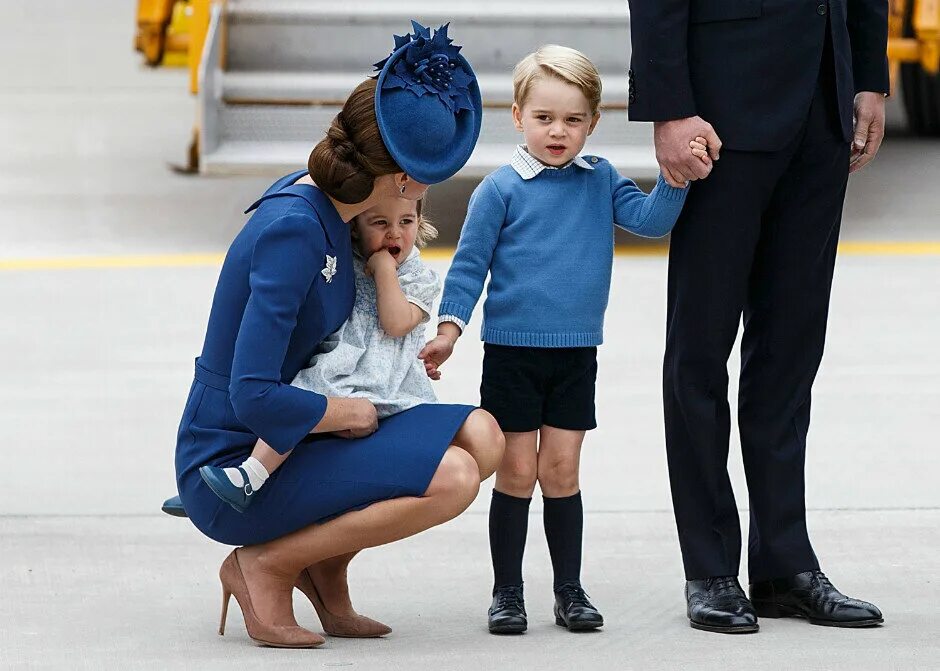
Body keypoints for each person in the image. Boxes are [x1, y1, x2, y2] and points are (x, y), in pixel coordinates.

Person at [174, 22, 504, 648]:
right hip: (238, 459)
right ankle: (264, 565)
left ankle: (325, 564)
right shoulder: (297, 230)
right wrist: (340, 411)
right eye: (423, 173)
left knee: (484, 436)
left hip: (299, 437)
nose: (426, 189)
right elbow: (251, 396)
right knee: (455, 477)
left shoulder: (337, 215)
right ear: (398, 178)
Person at [627, 0, 888, 633]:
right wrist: (669, 104)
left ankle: (784, 566)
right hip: (719, 109)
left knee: (791, 351)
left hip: (824, 101)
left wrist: (871, 74)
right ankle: (711, 568)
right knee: (700, 347)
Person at [419, 45, 694, 634]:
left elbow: (649, 221)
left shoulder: (600, 181)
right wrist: (449, 330)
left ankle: (569, 591)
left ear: (594, 123)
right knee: (517, 471)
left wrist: (675, 180)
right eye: (544, 118)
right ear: (517, 115)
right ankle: (507, 592)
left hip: (575, 354)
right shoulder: (499, 189)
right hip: (513, 355)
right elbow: (469, 267)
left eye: (573, 120)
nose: (558, 131)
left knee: (562, 471)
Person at [198, 195, 449, 512]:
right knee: (297, 401)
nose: (395, 234)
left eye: (406, 222)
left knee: (305, 402)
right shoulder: (351, 261)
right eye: (380, 223)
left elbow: (396, 323)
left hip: (379, 384)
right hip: (341, 367)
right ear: (356, 228)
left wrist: (385, 270)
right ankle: (225, 488)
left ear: (419, 221)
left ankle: (249, 477)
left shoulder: (419, 278)